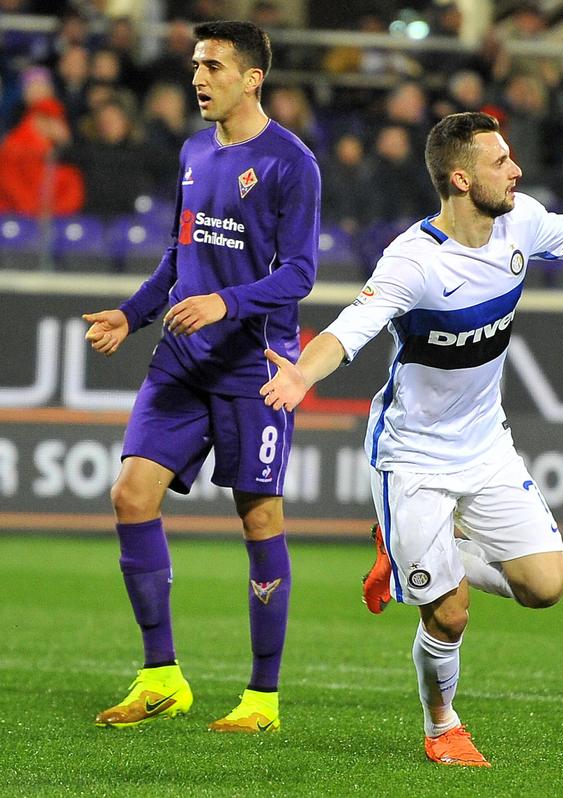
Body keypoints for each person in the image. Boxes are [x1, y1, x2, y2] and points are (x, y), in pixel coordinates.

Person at [259, 111, 563, 766]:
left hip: (486, 444)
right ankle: (442, 727)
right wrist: (302, 374)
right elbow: (351, 327)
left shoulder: (521, 223)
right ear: (461, 179)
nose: (516, 170)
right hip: (413, 457)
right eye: (500, 162)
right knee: (449, 614)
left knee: (547, 585)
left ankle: (409, 553)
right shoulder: (414, 261)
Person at [82, 20, 321, 732]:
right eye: (195, 65)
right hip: (182, 361)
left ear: (252, 78)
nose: (198, 78)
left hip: (255, 367)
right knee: (131, 495)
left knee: (259, 518)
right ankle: (162, 677)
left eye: (213, 66)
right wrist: (132, 314)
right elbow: (176, 252)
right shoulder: (193, 149)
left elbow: (301, 273)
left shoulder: (291, 163)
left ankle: (262, 698)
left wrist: (226, 302)